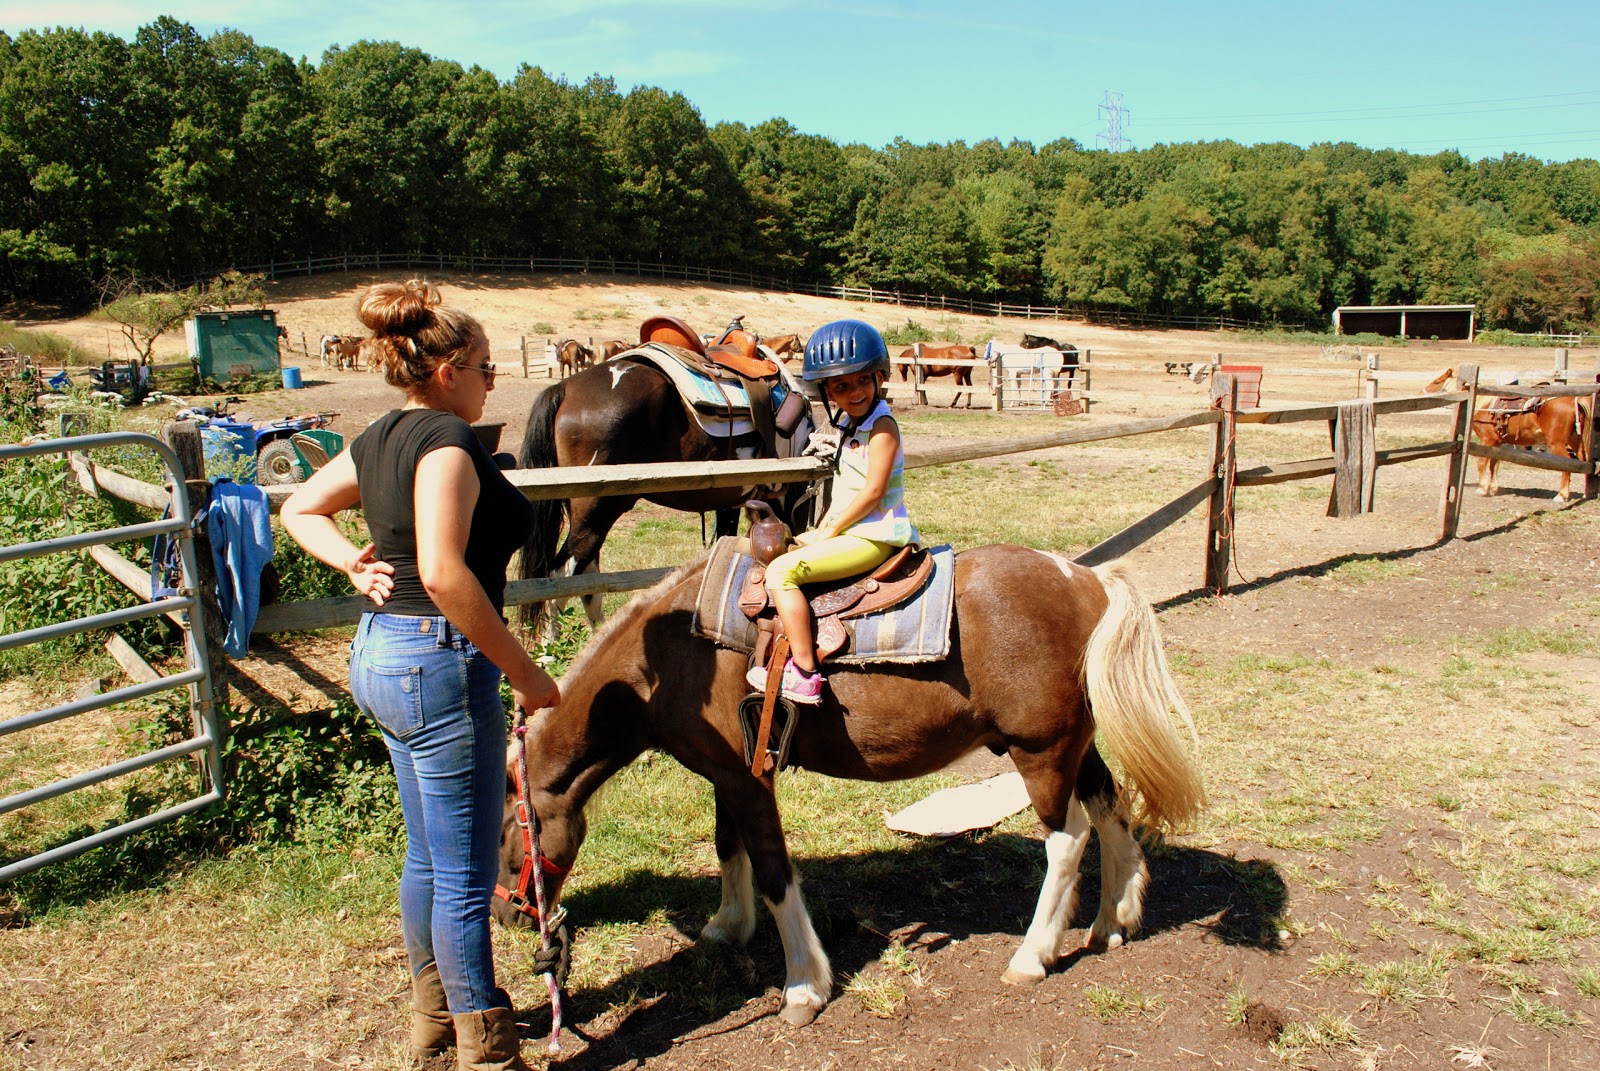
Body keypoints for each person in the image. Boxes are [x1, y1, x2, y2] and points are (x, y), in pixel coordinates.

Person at [281, 280, 559, 1071]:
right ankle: (486, 1049)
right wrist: (530, 675)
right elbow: (442, 572)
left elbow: (301, 508)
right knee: (467, 873)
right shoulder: (444, 441)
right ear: (445, 371)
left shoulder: (378, 436)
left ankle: (433, 1020)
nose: (491, 378)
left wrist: (354, 565)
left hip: (384, 651)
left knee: (429, 858)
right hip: (436, 659)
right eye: (483, 365)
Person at [745, 319, 919, 704]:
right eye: (842, 386)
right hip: (855, 531)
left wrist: (829, 532)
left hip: (876, 535)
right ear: (827, 391)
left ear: (878, 378)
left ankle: (805, 671)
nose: (854, 392)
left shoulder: (882, 427)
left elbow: (873, 491)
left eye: (862, 381)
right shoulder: (853, 426)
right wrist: (823, 529)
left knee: (781, 572)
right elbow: (846, 492)